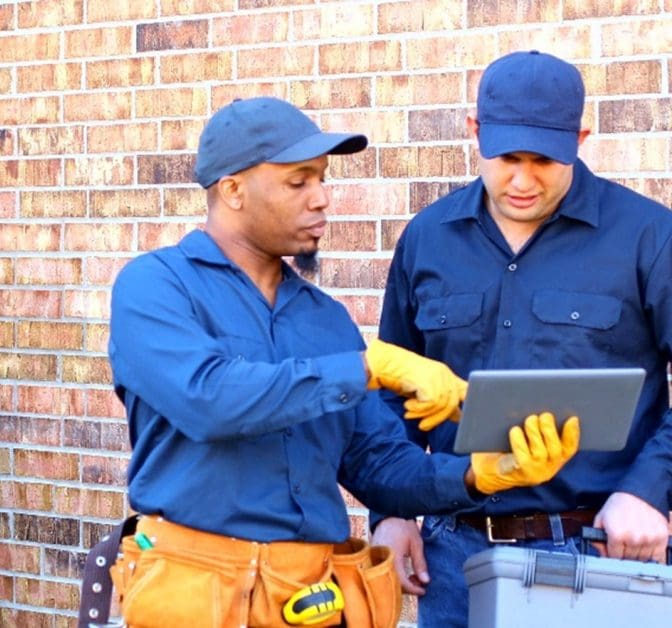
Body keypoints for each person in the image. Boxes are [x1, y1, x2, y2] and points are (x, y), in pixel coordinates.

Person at [106, 96, 579, 628]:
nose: (322, 198)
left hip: (307, 599)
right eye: (298, 182)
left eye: (323, 179)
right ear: (232, 189)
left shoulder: (324, 319)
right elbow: (209, 399)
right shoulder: (156, 286)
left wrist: (479, 476)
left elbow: (377, 465)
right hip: (194, 594)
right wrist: (365, 368)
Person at [372, 50, 672, 627]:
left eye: (544, 160)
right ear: (475, 132)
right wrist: (391, 511)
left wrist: (648, 490)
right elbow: (391, 394)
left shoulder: (649, 238)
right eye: (507, 157)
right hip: (454, 557)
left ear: (581, 137)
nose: (523, 179)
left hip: (598, 553)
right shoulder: (427, 239)